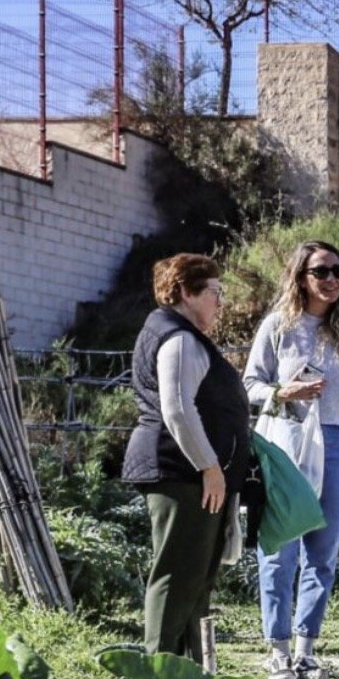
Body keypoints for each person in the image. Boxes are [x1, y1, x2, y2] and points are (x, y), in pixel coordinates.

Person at [245, 239, 339, 679]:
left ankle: (306, 648)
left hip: (338, 441)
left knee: (322, 551)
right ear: (300, 276)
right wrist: (283, 392)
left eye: (338, 271)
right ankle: (277, 648)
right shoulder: (277, 327)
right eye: (321, 271)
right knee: (279, 546)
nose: (332, 280)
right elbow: (250, 384)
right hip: (285, 438)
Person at [124, 253, 249, 658]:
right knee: (177, 577)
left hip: (192, 474)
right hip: (182, 473)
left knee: (194, 581)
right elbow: (176, 408)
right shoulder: (177, 338)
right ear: (185, 292)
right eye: (214, 292)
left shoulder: (179, 334)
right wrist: (210, 467)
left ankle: (190, 676)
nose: (220, 302)